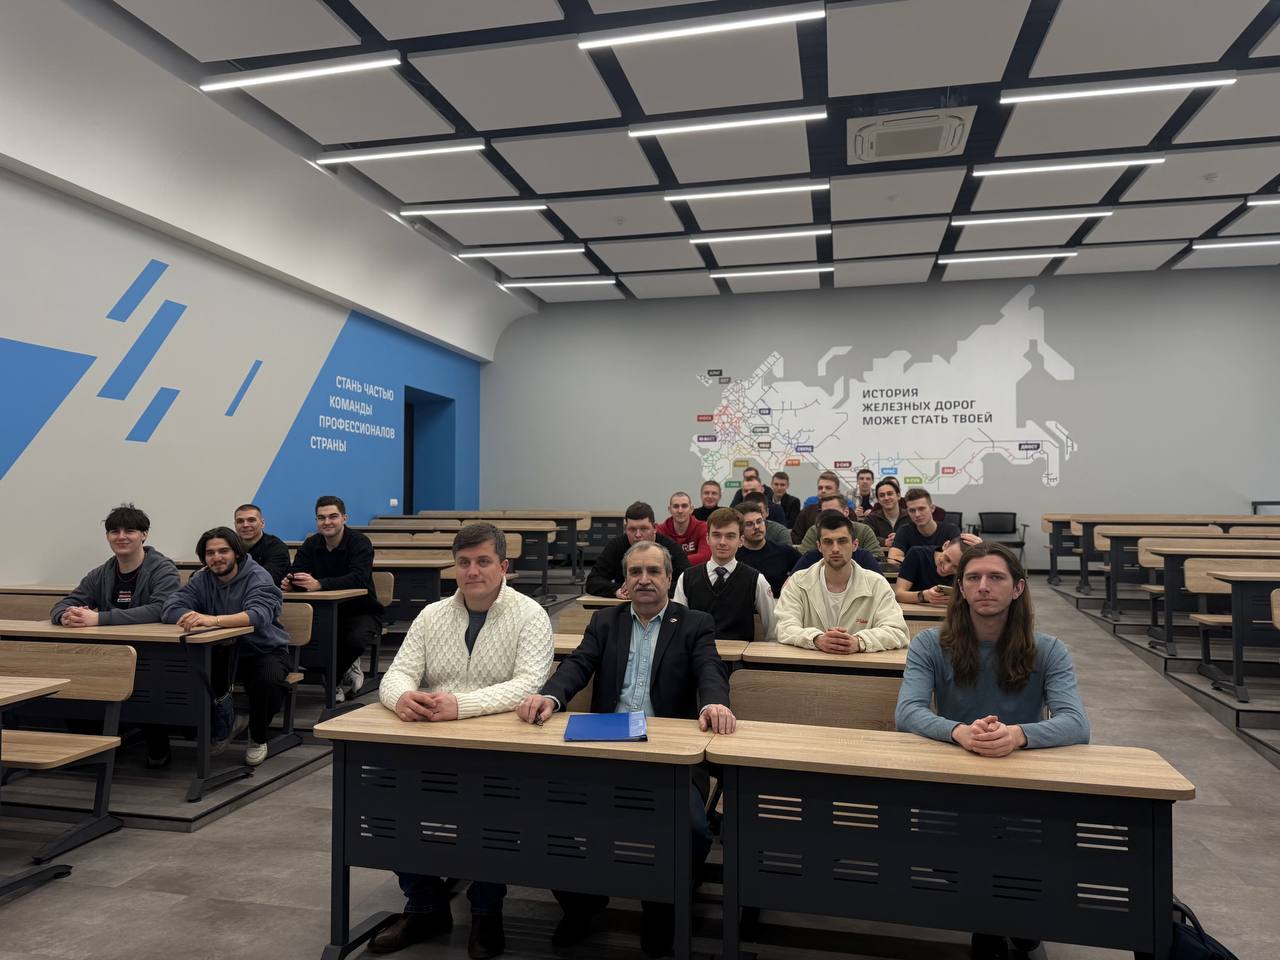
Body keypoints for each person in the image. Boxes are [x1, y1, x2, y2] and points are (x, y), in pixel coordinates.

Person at [516, 541, 734, 958]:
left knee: (692, 829)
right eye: (635, 572)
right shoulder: (605, 621)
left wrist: (713, 703)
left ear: (669, 578)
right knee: (542, 812)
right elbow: (578, 664)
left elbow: (710, 668)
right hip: (605, 746)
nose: (644, 579)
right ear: (625, 580)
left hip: (669, 755)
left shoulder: (694, 623)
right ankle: (582, 901)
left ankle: (662, 905)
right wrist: (551, 696)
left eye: (653, 571)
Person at [894, 542, 1089, 960]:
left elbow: (1076, 723)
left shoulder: (1049, 649)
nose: (984, 586)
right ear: (961, 588)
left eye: (996, 577)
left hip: (1021, 789)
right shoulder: (929, 644)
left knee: (1025, 854)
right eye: (973, 578)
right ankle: (999, 924)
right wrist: (959, 732)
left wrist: (1018, 735)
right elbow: (907, 712)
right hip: (953, 787)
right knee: (957, 853)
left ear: (1018, 588)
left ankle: (998, 924)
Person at [368, 523, 553, 958]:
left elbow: (529, 684)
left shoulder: (531, 615)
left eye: (483, 561)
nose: (472, 571)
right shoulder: (431, 615)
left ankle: (487, 909)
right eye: (464, 562)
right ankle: (425, 903)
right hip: (431, 744)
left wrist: (460, 705)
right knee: (374, 795)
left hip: (499, 750)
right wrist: (400, 698)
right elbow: (398, 673)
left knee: (491, 811)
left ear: (504, 566)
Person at [161, 527, 290, 767]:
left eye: (223, 551)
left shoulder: (258, 576)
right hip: (219, 650)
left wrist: (214, 620)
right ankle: (223, 725)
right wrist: (190, 616)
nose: (217, 557)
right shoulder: (201, 578)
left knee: (269, 680)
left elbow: (258, 615)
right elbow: (170, 607)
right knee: (182, 672)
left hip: (262, 650)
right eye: (210, 553)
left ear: (236, 553)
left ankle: (258, 736)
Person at [284, 495, 383, 702]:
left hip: (360, 610)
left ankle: (333, 679)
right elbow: (297, 571)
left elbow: (358, 578)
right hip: (323, 611)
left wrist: (320, 584)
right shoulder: (311, 544)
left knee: (354, 640)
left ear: (344, 518)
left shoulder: (360, 543)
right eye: (321, 518)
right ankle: (339, 674)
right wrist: (292, 582)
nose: (327, 522)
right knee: (306, 640)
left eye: (333, 516)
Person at [776, 512, 908, 653]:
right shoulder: (798, 582)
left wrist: (860, 642)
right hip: (810, 664)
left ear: (855, 545)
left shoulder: (877, 584)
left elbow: (897, 631)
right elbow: (784, 627)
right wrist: (816, 639)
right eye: (828, 542)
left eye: (842, 541)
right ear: (819, 546)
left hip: (859, 664)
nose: (835, 549)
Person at [51, 503, 180, 628]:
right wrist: (65, 617)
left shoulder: (164, 570)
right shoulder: (99, 575)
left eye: (129, 531)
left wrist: (99, 618)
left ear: (144, 534)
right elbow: (63, 605)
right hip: (108, 641)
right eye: (115, 532)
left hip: (149, 640)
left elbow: (161, 608)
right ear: (107, 536)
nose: (121, 537)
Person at [674, 508, 776, 641]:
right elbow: (677, 628)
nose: (722, 542)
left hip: (739, 654)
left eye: (730, 536)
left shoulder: (756, 580)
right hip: (697, 652)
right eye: (716, 535)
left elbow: (773, 632)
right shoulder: (686, 578)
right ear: (708, 539)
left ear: (741, 540)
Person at [586, 501, 689, 598]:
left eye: (644, 529)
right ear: (625, 529)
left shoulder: (671, 548)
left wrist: (654, 589)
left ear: (654, 528)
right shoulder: (615, 546)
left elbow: (687, 582)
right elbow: (593, 581)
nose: (638, 535)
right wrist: (617, 590)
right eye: (632, 529)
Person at [735, 502, 799, 597]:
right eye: (749, 524)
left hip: (779, 603)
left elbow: (808, 570)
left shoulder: (784, 551)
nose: (756, 527)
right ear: (739, 528)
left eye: (759, 521)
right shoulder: (734, 556)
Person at [798, 493, 884, 559]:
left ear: (846, 512)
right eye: (824, 513)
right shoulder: (814, 530)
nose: (828, 516)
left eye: (832, 511)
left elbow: (877, 557)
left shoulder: (863, 530)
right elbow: (803, 558)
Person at [887, 488, 962, 562]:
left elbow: (957, 559)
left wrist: (913, 562)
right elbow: (893, 559)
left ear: (932, 508)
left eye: (921, 509)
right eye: (912, 510)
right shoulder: (904, 531)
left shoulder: (951, 531)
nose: (917, 514)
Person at [893, 538, 973, 606]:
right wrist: (923, 595)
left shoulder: (968, 569)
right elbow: (898, 594)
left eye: (956, 567)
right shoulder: (917, 554)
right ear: (945, 545)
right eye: (947, 559)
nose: (946, 568)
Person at [232, 503, 290, 586]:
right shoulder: (229, 546)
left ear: (262, 523)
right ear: (235, 525)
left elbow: (268, 578)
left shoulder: (277, 547)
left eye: (251, 520)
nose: (245, 525)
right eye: (240, 521)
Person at [656, 491, 711, 566]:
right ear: (670, 509)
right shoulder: (660, 530)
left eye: (684, 506)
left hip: (695, 572)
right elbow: (656, 559)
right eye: (676, 506)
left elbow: (705, 557)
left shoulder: (703, 527)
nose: (680, 511)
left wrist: (673, 561)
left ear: (691, 509)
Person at [792, 470, 842, 542]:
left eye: (828, 488)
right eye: (820, 488)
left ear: (837, 491)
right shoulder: (806, 512)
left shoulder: (846, 511)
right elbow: (795, 538)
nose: (823, 491)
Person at [865, 478, 907, 546]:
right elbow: (866, 538)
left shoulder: (910, 516)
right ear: (878, 500)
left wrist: (902, 538)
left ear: (898, 496)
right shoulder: (871, 519)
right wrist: (884, 541)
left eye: (890, 494)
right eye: (882, 495)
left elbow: (919, 536)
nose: (886, 498)